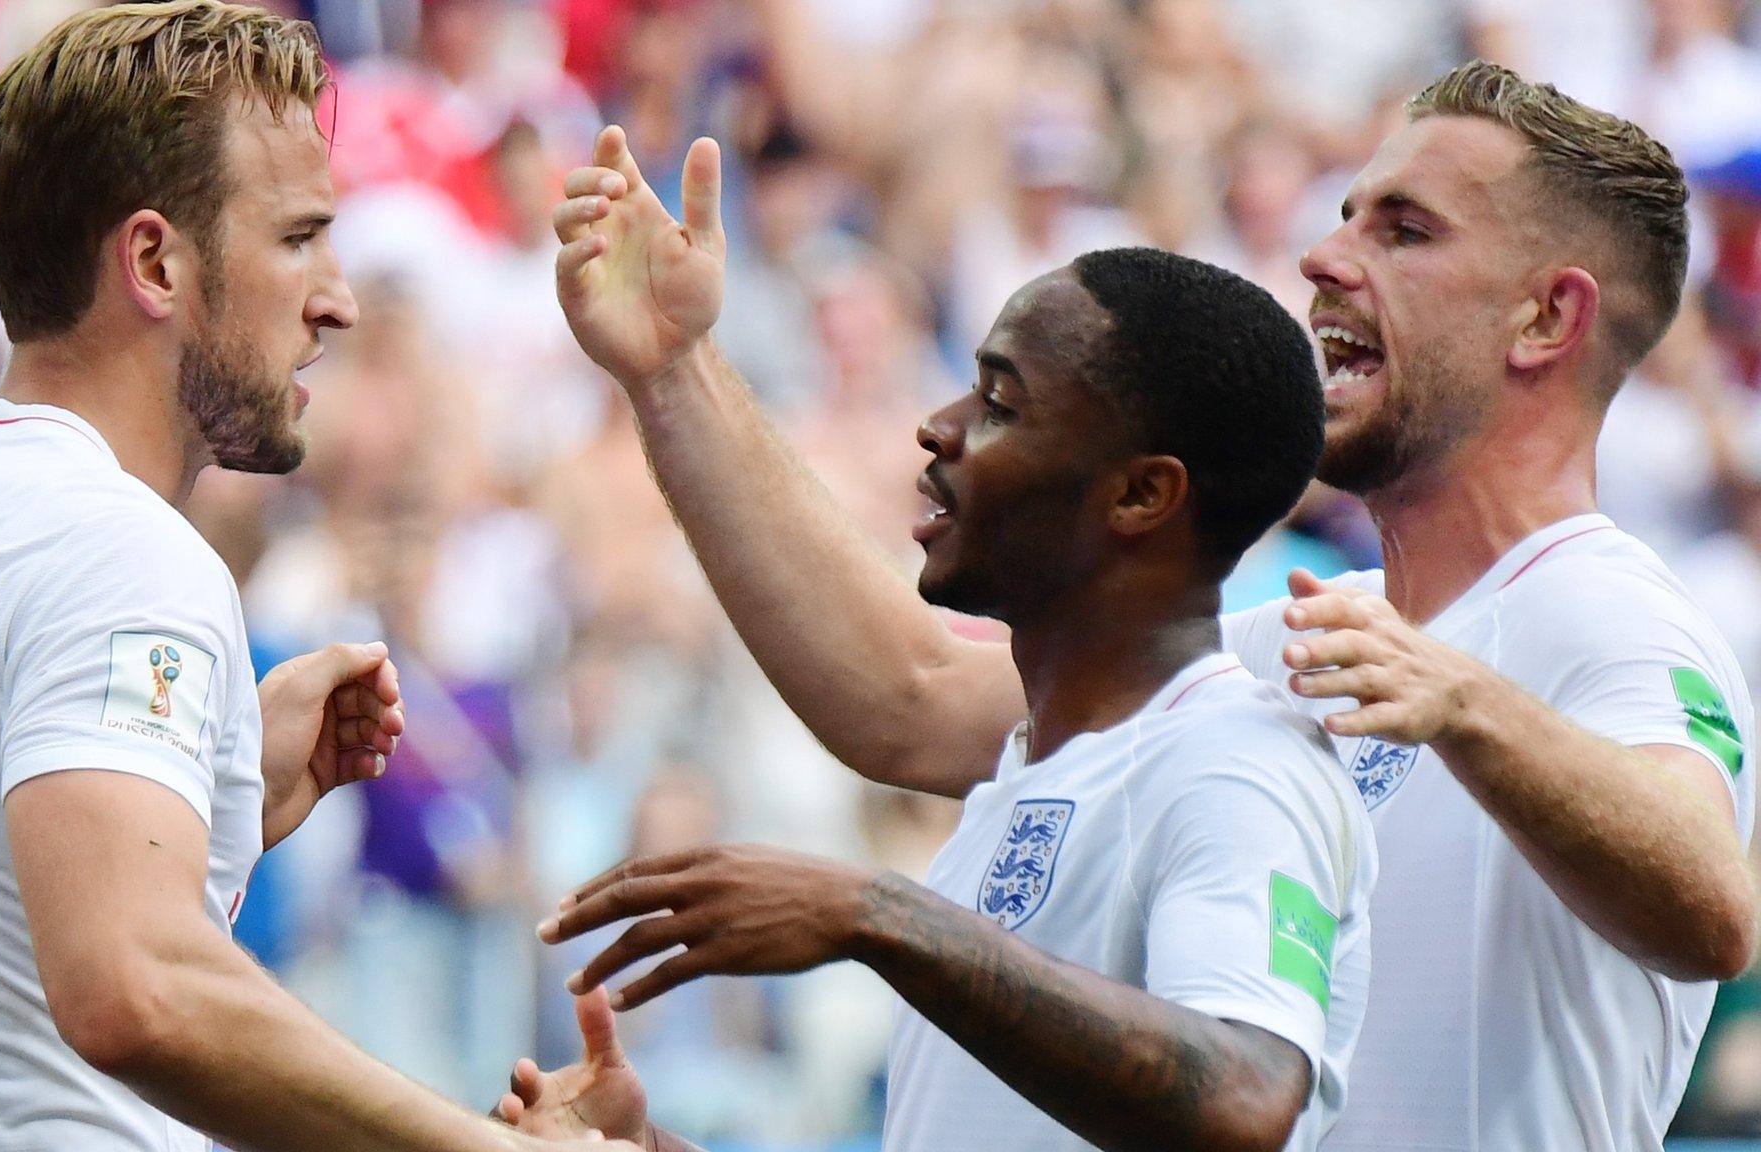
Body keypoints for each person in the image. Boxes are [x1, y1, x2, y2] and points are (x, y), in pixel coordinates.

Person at [525, 61, 1758, 1151]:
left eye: (1405, 230)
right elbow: (903, 698)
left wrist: (1465, 704)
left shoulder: (1601, 617)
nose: (1328, 259)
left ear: (1545, 316)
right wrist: (673, 369)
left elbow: (1710, 903)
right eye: (1341, 218)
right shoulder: (1293, 647)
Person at [0, 5, 632, 1152]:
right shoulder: (115, 549)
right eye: (298, 238)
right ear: (152, 260)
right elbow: (133, 990)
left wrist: (217, 786)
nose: (336, 297)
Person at [523, 133, 1377, 1152]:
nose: (938, 427)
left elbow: (1243, 1098)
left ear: (1142, 494)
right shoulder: (1025, 777)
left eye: (999, 403)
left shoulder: (1234, 767)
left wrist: (875, 912)